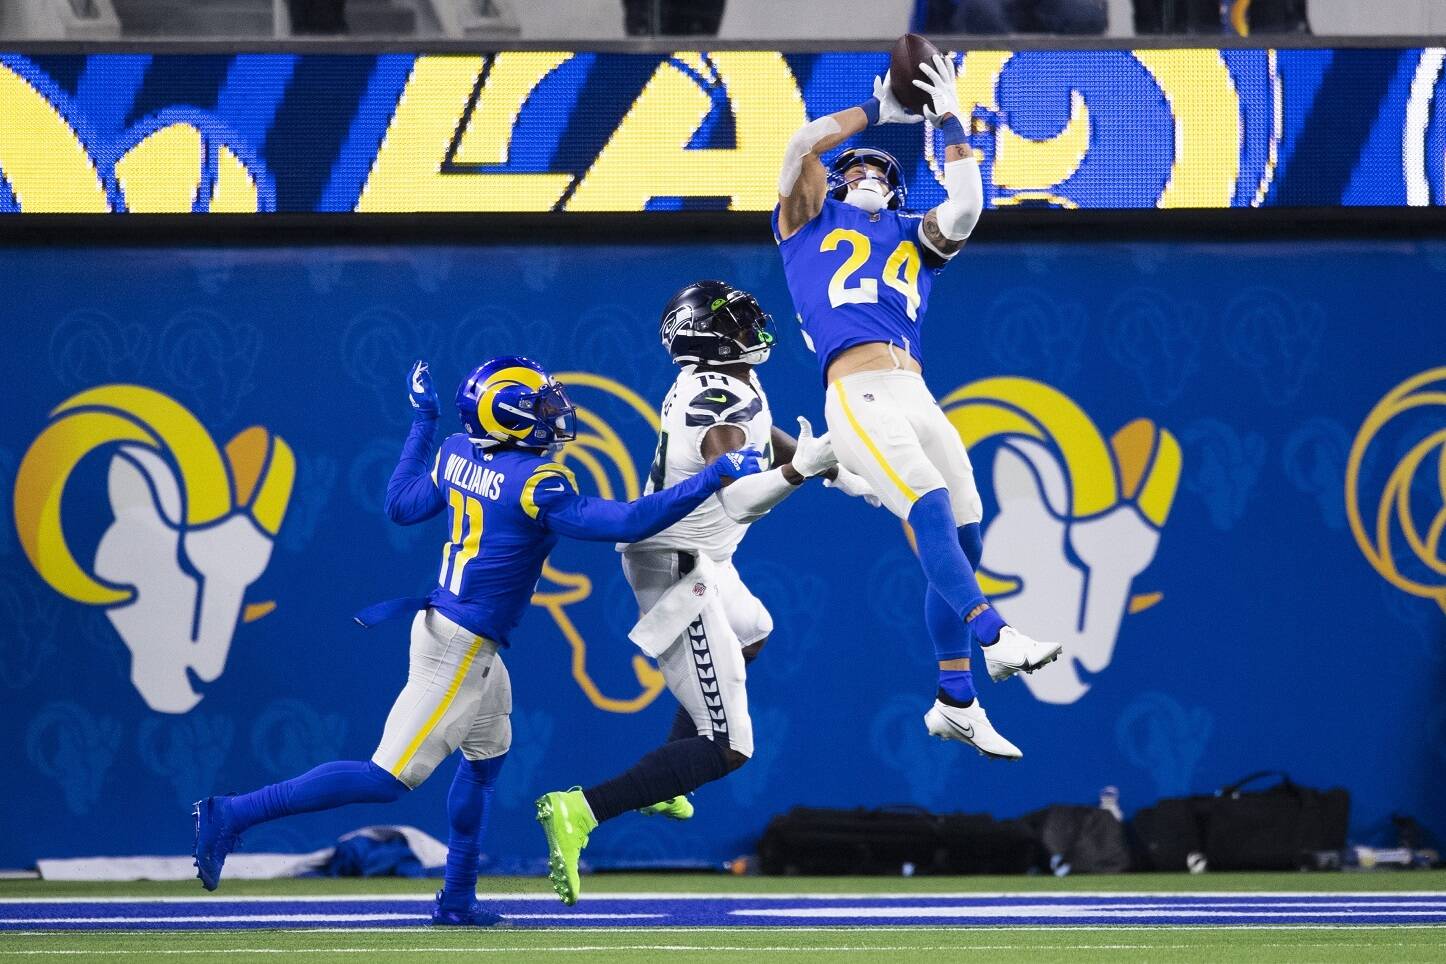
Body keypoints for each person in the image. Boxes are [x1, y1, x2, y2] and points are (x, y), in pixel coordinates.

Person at [191, 356, 764, 925]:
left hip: (458, 633)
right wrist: (711, 477)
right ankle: (232, 813)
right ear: (508, 417)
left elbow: (401, 504)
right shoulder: (536, 483)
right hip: (459, 646)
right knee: (387, 777)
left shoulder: (457, 452)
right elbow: (628, 523)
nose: (554, 412)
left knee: (486, 760)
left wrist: (423, 422)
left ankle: (458, 898)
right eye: (540, 406)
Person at [533, 280, 866, 906]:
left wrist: (829, 469)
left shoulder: (728, 380)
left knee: (753, 632)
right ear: (706, 341)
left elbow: (757, 432)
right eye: (736, 324)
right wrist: (802, 469)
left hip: (705, 556)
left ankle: (668, 775)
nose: (751, 330)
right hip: (677, 568)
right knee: (729, 746)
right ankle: (582, 810)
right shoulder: (715, 397)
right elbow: (737, 493)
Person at [772, 53, 1063, 760]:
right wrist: (879, 113)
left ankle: (955, 700)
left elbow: (966, 207)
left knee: (965, 536)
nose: (867, 176)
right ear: (834, 184)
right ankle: (996, 635)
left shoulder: (910, 234)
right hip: (858, 390)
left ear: (898, 190)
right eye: (855, 171)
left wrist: (951, 118)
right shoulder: (805, 223)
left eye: (880, 171)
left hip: (917, 394)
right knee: (928, 508)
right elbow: (801, 144)